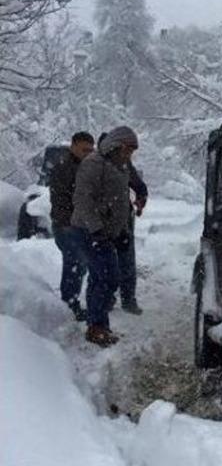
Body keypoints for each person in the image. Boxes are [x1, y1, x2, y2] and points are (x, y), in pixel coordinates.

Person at [72, 126, 139, 347]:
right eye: (127, 150)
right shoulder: (93, 164)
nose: (129, 156)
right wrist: (97, 230)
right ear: (116, 145)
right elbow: (83, 200)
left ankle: (100, 323)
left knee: (108, 278)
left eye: (131, 152)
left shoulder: (119, 165)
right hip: (88, 231)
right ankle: (96, 327)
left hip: (108, 232)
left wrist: (122, 233)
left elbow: (119, 202)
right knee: (103, 277)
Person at [96, 132, 147, 315]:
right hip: (102, 222)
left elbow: (138, 185)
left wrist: (141, 198)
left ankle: (128, 299)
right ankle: (107, 298)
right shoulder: (94, 166)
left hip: (124, 219)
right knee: (105, 262)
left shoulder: (124, 164)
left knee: (126, 260)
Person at [49, 132, 95, 321]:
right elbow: (63, 200)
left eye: (90, 150)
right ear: (73, 146)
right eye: (84, 150)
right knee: (75, 264)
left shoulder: (85, 167)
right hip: (67, 225)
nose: (88, 153)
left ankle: (71, 302)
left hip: (80, 225)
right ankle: (69, 304)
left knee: (79, 265)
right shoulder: (64, 168)